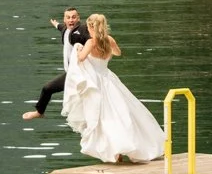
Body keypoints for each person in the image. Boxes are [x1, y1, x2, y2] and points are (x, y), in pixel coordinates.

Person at [61, 13, 165, 164]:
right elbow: (118, 53)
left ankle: (115, 151)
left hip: (96, 84)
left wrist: (77, 48)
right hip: (110, 81)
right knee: (122, 114)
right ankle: (125, 148)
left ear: (90, 27)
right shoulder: (109, 40)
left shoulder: (90, 43)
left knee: (103, 118)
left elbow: (81, 59)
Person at [23, 8, 91, 120]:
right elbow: (60, 27)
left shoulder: (82, 30)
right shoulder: (64, 29)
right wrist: (55, 24)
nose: (71, 20)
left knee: (84, 100)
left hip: (81, 74)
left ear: (78, 18)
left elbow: (91, 39)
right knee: (47, 89)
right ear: (64, 20)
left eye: (74, 17)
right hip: (70, 74)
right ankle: (39, 112)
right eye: (68, 17)